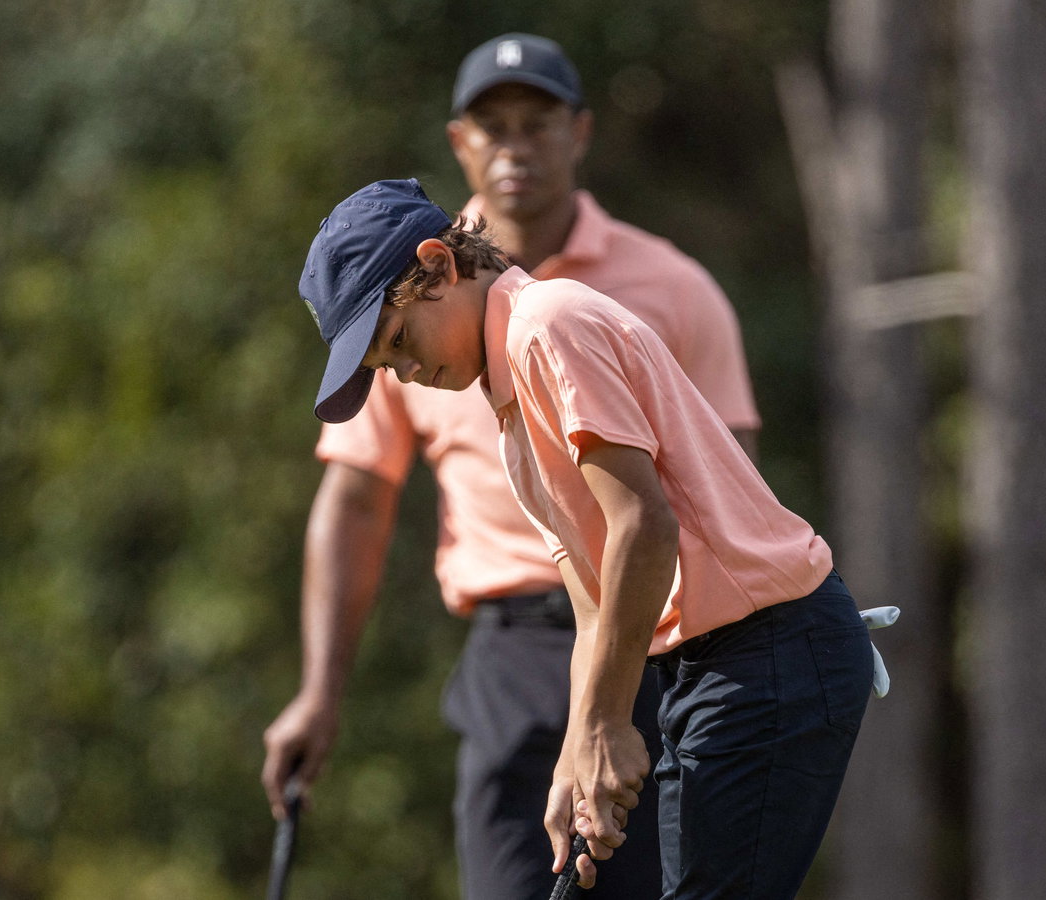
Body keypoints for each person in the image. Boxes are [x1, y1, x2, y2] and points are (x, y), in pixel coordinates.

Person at [261, 33, 759, 900]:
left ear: (580, 132)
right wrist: (319, 691)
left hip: (664, 642)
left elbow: (729, 488)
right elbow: (356, 504)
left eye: (539, 123)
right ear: (460, 142)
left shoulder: (673, 288)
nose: (515, 147)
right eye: (494, 127)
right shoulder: (392, 303)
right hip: (517, 651)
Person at [296, 178, 874, 898]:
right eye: (388, 369)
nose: (407, 376)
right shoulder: (508, 392)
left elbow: (644, 524)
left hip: (770, 652)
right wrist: (578, 751)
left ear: (439, 265)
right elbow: (594, 604)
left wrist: (607, 723)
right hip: (713, 665)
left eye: (400, 341)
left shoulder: (546, 325)